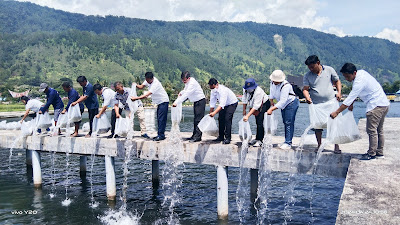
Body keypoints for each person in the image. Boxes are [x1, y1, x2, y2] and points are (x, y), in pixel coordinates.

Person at [330, 63, 390, 160]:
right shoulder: (362, 73)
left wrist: (336, 112)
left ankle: (371, 153)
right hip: (384, 104)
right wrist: (352, 104)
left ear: (354, 73)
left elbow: (350, 97)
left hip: (375, 106)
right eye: (345, 76)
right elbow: (355, 94)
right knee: (379, 130)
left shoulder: (358, 82)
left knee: (371, 130)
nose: (346, 79)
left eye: (347, 76)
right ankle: (379, 152)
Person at [303, 55, 342, 154]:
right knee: (317, 126)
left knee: (334, 124)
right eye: (309, 67)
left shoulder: (329, 70)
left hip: (330, 102)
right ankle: (319, 145)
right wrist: (307, 97)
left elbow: (337, 81)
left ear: (318, 63)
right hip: (316, 104)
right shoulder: (307, 75)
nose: (311, 69)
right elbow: (305, 89)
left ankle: (336, 146)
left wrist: (339, 92)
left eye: (312, 66)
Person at [267, 70, 300, 149]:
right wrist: (271, 102)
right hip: (284, 105)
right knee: (285, 122)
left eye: (276, 81)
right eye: (274, 81)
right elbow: (271, 93)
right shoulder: (272, 83)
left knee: (289, 122)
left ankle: (288, 142)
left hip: (291, 103)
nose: (275, 82)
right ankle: (286, 140)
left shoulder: (286, 85)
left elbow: (283, 101)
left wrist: (272, 109)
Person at [133, 72, 169, 141]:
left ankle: (161, 135)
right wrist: (135, 85)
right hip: (159, 102)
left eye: (148, 81)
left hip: (163, 101)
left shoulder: (155, 84)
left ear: (151, 78)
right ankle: (160, 134)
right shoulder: (147, 80)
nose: (147, 82)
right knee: (159, 119)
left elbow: (146, 95)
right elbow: (141, 87)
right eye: (146, 80)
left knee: (161, 119)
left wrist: (135, 98)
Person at [172, 71, 206, 142]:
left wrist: (176, 102)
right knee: (195, 119)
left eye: (185, 80)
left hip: (200, 101)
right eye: (182, 80)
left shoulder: (192, 83)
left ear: (189, 78)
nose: (183, 81)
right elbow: (185, 91)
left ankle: (198, 137)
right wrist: (181, 93)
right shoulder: (188, 83)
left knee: (198, 120)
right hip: (196, 101)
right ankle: (194, 135)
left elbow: (187, 94)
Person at [208, 78, 238, 144]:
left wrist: (214, 113)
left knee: (227, 119)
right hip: (224, 104)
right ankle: (221, 136)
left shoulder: (223, 90)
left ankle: (228, 138)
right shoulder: (213, 91)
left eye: (213, 87)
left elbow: (222, 104)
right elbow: (212, 102)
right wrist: (211, 112)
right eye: (211, 88)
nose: (212, 89)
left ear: (217, 84)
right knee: (220, 119)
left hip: (232, 103)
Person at [242, 78, 270, 147]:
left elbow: (256, 106)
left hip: (264, 103)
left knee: (260, 121)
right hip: (255, 104)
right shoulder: (245, 90)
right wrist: (244, 110)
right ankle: (257, 138)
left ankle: (260, 140)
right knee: (257, 121)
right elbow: (245, 99)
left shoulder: (258, 92)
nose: (249, 90)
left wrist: (247, 116)